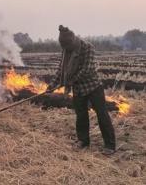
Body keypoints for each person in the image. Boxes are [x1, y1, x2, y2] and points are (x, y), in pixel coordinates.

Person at [48, 25, 116, 155]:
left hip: (93, 87)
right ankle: (83, 141)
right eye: (64, 48)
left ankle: (110, 145)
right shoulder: (66, 51)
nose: (66, 49)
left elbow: (88, 69)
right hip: (78, 89)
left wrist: (70, 81)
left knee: (102, 115)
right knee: (81, 116)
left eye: (67, 47)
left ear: (72, 41)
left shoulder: (87, 47)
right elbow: (60, 71)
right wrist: (52, 85)